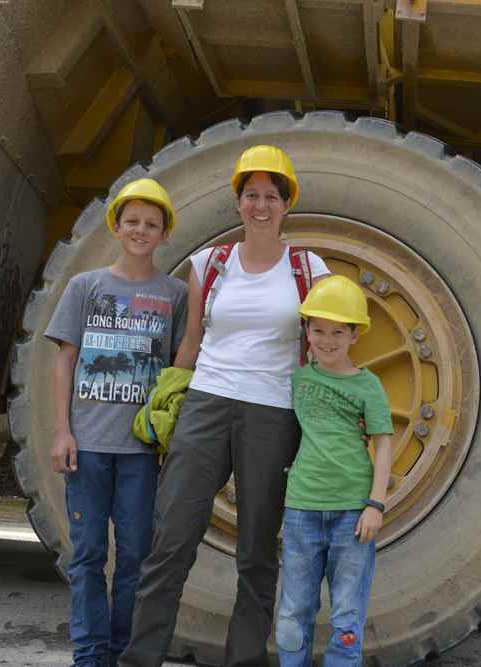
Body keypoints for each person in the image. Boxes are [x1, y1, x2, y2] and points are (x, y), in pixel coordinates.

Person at [119, 145, 330, 667]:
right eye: (251, 195)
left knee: (257, 551)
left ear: (286, 205)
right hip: (207, 405)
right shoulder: (209, 264)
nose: (261, 205)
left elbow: (325, 346)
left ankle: (245, 660)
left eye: (271, 196)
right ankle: (139, 658)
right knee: (170, 539)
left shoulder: (308, 268)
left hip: (273, 414)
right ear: (239, 202)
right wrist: (168, 402)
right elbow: (191, 341)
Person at [46, 178, 188, 667]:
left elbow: (177, 371)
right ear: (116, 226)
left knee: (133, 559)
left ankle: (124, 652)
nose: (140, 231)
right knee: (86, 557)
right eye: (132, 222)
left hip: (141, 454)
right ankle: (89, 657)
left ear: (165, 233)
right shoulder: (85, 287)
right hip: (86, 447)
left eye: (151, 224)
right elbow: (65, 360)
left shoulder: (175, 294)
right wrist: (63, 431)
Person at [276, 275, 394, 667]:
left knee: (347, 614)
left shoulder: (368, 386)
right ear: (306, 330)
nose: (327, 340)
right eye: (318, 329)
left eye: (338, 332)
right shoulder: (297, 380)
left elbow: (383, 443)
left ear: (355, 335)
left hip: (352, 514)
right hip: (301, 511)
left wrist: (376, 504)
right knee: (293, 613)